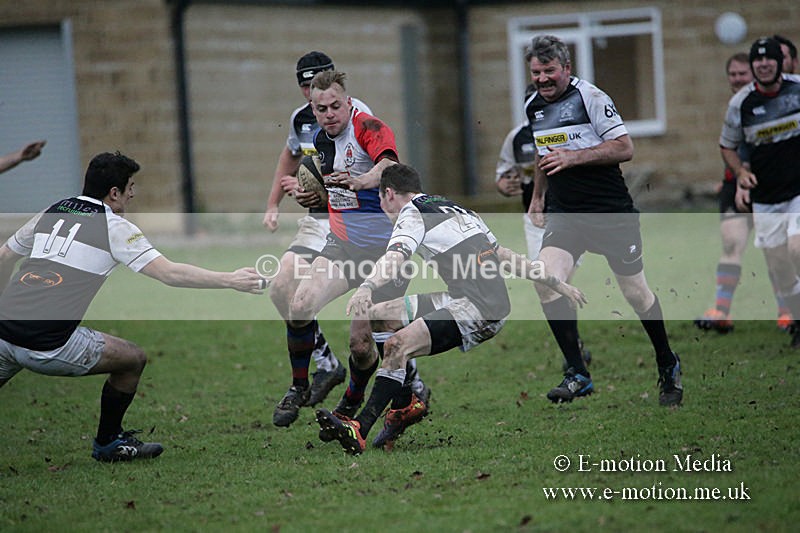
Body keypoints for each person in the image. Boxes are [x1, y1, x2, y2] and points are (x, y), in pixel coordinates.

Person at [0, 151, 266, 462]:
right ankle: (109, 442)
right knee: (132, 359)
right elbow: (170, 273)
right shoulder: (114, 227)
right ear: (114, 192)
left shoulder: (54, 209)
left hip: (4, 331)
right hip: (49, 345)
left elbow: (4, 257)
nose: (133, 193)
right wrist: (230, 279)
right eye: (130, 187)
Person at [315, 163, 587, 454]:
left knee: (397, 345)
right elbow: (503, 255)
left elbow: (395, 257)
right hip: (463, 297)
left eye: (381, 200)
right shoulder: (455, 208)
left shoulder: (411, 214)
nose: (382, 208)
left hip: (482, 309)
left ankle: (360, 428)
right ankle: (405, 402)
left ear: (389, 193)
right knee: (380, 316)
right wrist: (557, 284)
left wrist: (367, 286)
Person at [524, 35, 682, 406]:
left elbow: (625, 147)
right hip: (566, 213)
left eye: (549, 71)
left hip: (610, 212)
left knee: (635, 294)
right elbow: (544, 151)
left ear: (566, 68)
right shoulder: (533, 105)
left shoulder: (591, 98)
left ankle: (667, 362)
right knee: (546, 282)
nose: (543, 79)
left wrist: (573, 158)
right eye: (536, 72)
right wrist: (537, 195)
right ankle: (578, 373)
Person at [288, 70, 429, 431]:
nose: (330, 113)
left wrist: (362, 180)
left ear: (347, 102)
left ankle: (361, 398)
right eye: (322, 109)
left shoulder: (369, 127)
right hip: (342, 246)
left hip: (386, 252)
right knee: (300, 304)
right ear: (313, 110)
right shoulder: (320, 140)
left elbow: (388, 166)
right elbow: (333, 192)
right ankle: (300, 387)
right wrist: (312, 195)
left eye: (336, 105)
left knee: (362, 345)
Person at [262, 51, 373, 427]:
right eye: (306, 87)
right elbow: (290, 157)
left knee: (374, 322)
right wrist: (274, 203)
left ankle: (409, 378)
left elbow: (365, 173)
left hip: (355, 219)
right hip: (318, 220)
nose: (314, 96)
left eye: (318, 85)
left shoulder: (357, 116)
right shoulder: (301, 118)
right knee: (282, 288)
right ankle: (323, 365)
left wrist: (318, 190)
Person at [496, 83, 591, 370]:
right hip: (536, 220)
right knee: (547, 281)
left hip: (572, 215)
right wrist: (505, 185)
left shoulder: (573, 130)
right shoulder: (517, 138)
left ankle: (572, 349)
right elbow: (502, 175)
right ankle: (573, 349)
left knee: (560, 281)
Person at [695, 53, 792, 333]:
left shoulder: (766, 104)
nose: (737, 79)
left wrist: (742, 180)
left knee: (776, 250)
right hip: (733, 184)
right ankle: (721, 311)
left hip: (765, 186)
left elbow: (752, 150)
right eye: (733, 74)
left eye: (742, 74)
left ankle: (786, 311)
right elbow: (730, 147)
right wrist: (729, 179)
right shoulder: (735, 105)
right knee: (731, 244)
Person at [721, 37, 800, 349]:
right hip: (766, 197)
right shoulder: (741, 103)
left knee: (797, 250)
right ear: (753, 67)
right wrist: (741, 172)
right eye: (758, 61)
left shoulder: (797, 88)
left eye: (769, 59)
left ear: (780, 63)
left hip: (798, 191)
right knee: (779, 266)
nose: (764, 64)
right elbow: (727, 145)